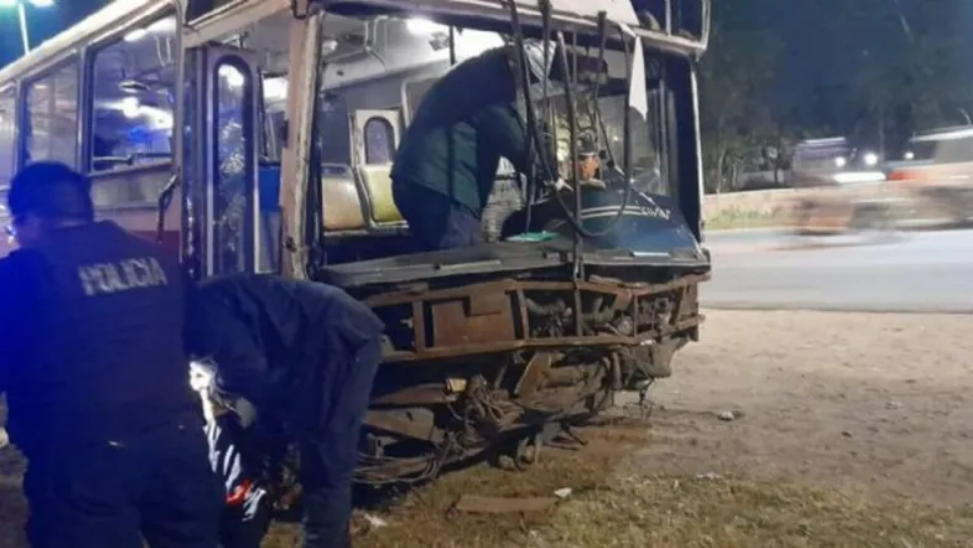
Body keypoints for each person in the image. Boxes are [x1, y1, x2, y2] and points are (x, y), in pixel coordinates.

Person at [0, 162, 223, 547]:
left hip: (84, 461)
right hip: (179, 445)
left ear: (28, 220)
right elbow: (198, 338)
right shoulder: (158, 259)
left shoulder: (24, 273)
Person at [186, 274, 385, 548]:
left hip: (339, 335)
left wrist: (221, 388)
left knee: (325, 453)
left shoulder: (201, 315)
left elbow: (248, 370)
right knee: (289, 438)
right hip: (313, 338)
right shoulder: (196, 304)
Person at [391, 42, 555, 251]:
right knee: (462, 259)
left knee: (443, 257)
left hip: (419, 181)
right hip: (443, 186)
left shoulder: (474, 73)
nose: (525, 86)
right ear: (515, 65)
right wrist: (550, 176)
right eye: (528, 78)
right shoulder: (490, 83)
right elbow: (514, 138)